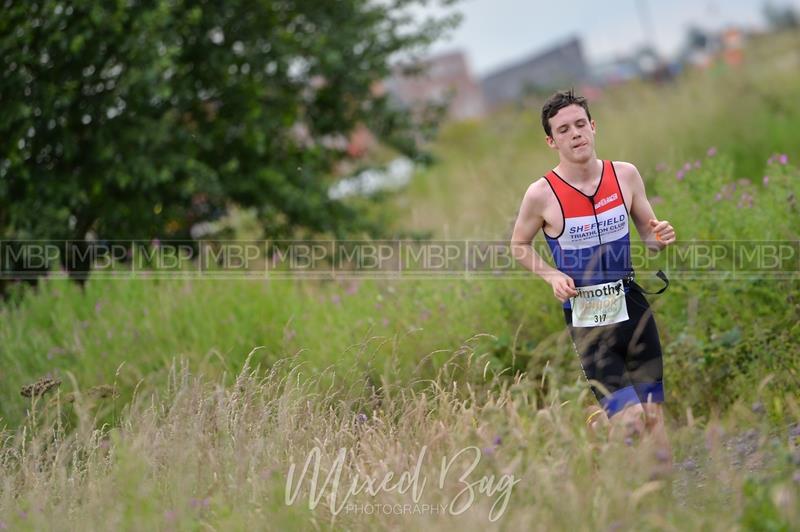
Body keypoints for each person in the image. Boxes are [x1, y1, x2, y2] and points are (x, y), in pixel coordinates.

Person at [510, 90, 676, 466]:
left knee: (652, 415)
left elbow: (650, 238)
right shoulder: (541, 194)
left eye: (580, 125)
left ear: (593, 127)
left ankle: (664, 503)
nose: (575, 134)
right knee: (632, 421)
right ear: (552, 141)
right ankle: (603, 424)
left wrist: (660, 235)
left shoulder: (625, 174)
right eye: (564, 129)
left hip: (632, 303)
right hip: (588, 315)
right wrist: (551, 276)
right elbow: (519, 245)